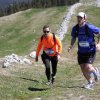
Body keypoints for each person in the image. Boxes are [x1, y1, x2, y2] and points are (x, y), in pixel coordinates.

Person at [68, 12, 100, 90]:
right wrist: (71, 45)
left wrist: (99, 43)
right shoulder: (75, 28)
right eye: (78, 17)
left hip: (90, 50)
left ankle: (95, 71)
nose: (79, 19)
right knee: (83, 68)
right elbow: (74, 37)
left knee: (88, 67)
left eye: (81, 18)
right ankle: (90, 83)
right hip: (81, 51)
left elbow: (99, 32)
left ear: (84, 19)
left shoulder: (89, 27)